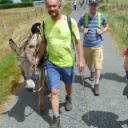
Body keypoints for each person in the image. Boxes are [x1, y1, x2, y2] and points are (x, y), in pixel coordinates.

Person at [36, 0, 84, 127]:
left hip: (68, 62)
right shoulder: (45, 24)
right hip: (52, 63)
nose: (52, 8)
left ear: (59, 6)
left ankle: (68, 97)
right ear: (46, 7)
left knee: (68, 84)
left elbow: (78, 42)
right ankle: (56, 118)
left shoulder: (70, 22)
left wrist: (81, 59)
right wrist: (38, 57)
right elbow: (43, 43)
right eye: (49, 6)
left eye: (54, 6)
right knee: (54, 91)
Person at [78, 0, 108, 96]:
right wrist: (83, 30)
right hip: (86, 46)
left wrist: (102, 31)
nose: (93, 7)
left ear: (97, 6)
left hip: (98, 45)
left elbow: (106, 26)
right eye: (91, 5)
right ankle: (91, 71)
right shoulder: (84, 17)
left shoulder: (101, 16)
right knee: (89, 64)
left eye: (95, 5)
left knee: (98, 64)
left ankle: (96, 84)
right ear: (89, 6)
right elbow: (77, 27)